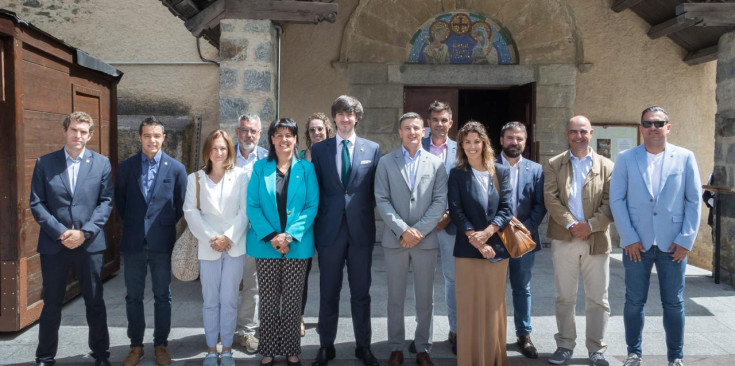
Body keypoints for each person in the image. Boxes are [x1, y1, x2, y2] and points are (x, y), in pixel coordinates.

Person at [610, 106, 702, 366]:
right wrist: (628, 237)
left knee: (673, 302)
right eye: (648, 123)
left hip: (673, 243)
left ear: (668, 127)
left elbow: (694, 201)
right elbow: (617, 200)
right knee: (634, 301)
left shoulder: (685, 157)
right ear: (641, 128)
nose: (653, 128)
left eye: (658, 123)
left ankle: (675, 357)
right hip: (636, 243)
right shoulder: (627, 158)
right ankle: (633, 353)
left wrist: (686, 240)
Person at [30, 111, 114, 366]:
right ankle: (45, 356)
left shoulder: (101, 164)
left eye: (83, 131)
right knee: (52, 303)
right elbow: (37, 203)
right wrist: (60, 232)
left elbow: (106, 202)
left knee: (95, 302)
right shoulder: (45, 163)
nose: (78, 135)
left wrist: (85, 232)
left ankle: (101, 354)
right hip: (54, 245)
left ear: (90, 135)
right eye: (74, 130)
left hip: (89, 244)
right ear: (65, 131)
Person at [311, 95, 381, 366]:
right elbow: (314, 191)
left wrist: (359, 212)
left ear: (357, 118)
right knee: (328, 292)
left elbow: (376, 191)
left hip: (361, 233)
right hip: (329, 233)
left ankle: (363, 347)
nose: (345, 118)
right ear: (335, 118)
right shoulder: (320, 150)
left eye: (350, 114)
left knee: (361, 293)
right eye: (340, 114)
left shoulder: (372, 149)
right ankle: (326, 346)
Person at [375, 112, 448, 366]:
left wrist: (419, 231)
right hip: (396, 241)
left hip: (425, 242)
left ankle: (422, 347)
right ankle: (396, 346)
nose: (412, 132)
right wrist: (403, 230)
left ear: (424, 131)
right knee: (395, 297)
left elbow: (440, 201)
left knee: (425, 298)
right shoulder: (386, 162)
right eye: (407, 128)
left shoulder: (436, 163)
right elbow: (382, 200)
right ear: (400, 132)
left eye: (416, 128)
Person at [246, 118, 319, 366]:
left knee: (292, 299)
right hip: (265, 245)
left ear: (296, 139)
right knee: (267, 299)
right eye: (279, 135)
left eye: (289, 135)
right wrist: (272, 236)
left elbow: (311, 206)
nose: (284, 139)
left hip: (297, 245)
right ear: (272, 139)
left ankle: (290, 348)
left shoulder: (307, 169)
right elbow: (253, 206)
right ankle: (267, 348)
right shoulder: (259, 168)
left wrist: (288, 236)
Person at [115, 117, 187, 366]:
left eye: (156, 135)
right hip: (134, 241)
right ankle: (136, 346)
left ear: (164, 137)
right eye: (147, 135)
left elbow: (180, 205)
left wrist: (160, 226)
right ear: (139, 137)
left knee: (162, 296)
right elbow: (121, 204)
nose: (152, 140)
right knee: (133, 296)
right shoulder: (126, 168)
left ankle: (160, 345)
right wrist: (139, 225)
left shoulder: (176, 168)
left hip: (162, 242)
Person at [543, 115, 614, 366]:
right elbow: (551, 199)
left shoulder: (607, 165)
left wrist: (591, 225)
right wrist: (573, 224)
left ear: (591, 133)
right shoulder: (554, 164)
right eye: (573, 131)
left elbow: (610, 203)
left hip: (596, 241)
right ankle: (564, 344)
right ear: (567, 135)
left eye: (583, 131)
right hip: (565, 237)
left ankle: (596, 349)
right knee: (565, 296)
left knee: (597, 298)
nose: (578, 136)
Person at [447, 121, 513, 366]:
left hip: (496, 249)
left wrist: (487, 233)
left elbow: (507, 209)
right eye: (467, 142)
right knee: (469, 306)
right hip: (467, 250)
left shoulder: (500, 172)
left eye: (476, 141)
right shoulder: (457, 174)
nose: (472, 146)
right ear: (461, 146)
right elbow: (456, 210)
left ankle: (494, 359)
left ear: (484, 143)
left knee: (493, 306)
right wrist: (475, 238)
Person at [183, 130, 250, 366]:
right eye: (214, 148)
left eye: (223, 148)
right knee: (211, 300)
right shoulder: (196, 179)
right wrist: (213, 238)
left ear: (229, 151)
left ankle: (228, 349)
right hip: (208, 246)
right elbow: (190, 212)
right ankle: (212, 349)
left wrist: (228, 237)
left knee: (230, 299)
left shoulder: (241, 176)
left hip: (234, 246)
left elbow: (245, 211)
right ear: (207, 151)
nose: (218, 152)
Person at [496, 121, 546, 359]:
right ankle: (492, 335)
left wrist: (523, 230)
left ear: (525, 141)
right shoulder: (488, 165)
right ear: (501, 140)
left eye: (519, 138)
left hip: (524, 240)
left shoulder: (535, 170)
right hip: (494, 238)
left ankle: (523, 335)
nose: (514, 142)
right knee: (493, 290)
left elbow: (540, 204)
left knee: (522, 288)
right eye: (509, 138)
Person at [420, 101, 458, 352]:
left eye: (444, 120)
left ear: (450, 123)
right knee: (423, 282)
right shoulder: (414, 145)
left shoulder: (461, 148)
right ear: (429, 122)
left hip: (449, 225)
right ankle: (424, 335)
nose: (440, 124)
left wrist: (449, 215)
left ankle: (455, 331)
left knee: (452, 279)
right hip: (421, 224)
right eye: (435, 119)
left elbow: (466, 186)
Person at [296, 112, 335, 337]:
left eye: (320, 129)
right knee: (301, 272)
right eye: (312, 130)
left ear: (327, 130)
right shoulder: (300, 157)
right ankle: (298, 316)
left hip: (328, 221)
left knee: (328, 273)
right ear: (307, 134)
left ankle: (325, 318)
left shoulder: (335, 154)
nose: (316, 133)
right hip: (305, 223)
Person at [234, 113, 268, 354]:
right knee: (227, 285)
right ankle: (223, 332)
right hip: (229, 233)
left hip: (257, 233)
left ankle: (247, 331)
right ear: (237, 132)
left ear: (260, 134)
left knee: (253, 285)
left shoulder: (268, 158)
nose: (249, 135)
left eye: (253, 131)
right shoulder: (224, 155)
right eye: (244, 130)